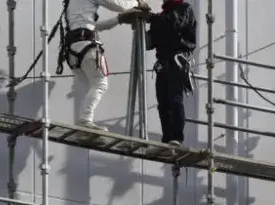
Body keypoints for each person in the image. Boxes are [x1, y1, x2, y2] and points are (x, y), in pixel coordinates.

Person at [58, 0, 152, 128]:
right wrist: (137, 2)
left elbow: (93, 26)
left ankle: (85, 121)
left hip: (73, 51)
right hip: (86, 48)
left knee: (89, 88)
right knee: (100, 84)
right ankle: (85, 120)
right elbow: (118, 5)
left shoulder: (72, 4)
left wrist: (119, 19)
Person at [142, 0, 196, 147]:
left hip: (177, 61)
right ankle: (167, 139)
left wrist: (152, 18)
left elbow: (174, 23)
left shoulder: (184, 9)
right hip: (163, 63)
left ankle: (177, 137)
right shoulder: (163, 16)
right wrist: (141, 26)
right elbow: (152, 41)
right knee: (163, 102)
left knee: (174, 99)